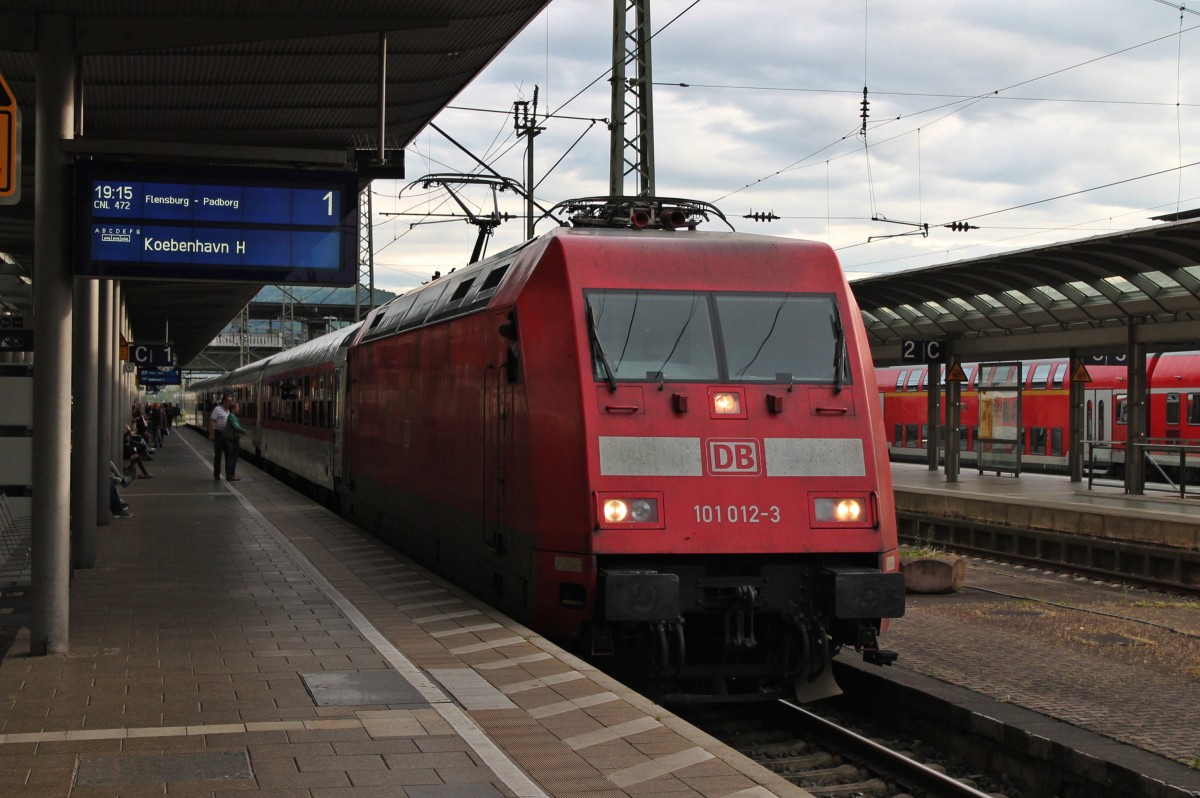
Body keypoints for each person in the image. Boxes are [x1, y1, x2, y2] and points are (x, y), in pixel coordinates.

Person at [209, 393, 233, 480]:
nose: (230, 402)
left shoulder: (229, 411)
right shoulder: (217, 409)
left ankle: (228, 474)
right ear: (224, 401)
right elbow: (212, 421)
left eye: (231, 400)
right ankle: (217, 474)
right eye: (228, 400)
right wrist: (211, 433)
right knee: (218, 455)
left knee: (228, 455)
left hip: (227, 435)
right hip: (218, 434)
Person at [223, 402, 246, 482]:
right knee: (232, 457)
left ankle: (230, 475)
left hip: (232, 439)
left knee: (232, 457)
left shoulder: (232, 416)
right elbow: (236, 426)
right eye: (237, 408)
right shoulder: (232, 417)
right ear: (233, 409)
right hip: (232, 440)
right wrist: (243, 430)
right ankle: (230, 475)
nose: (239, 409)